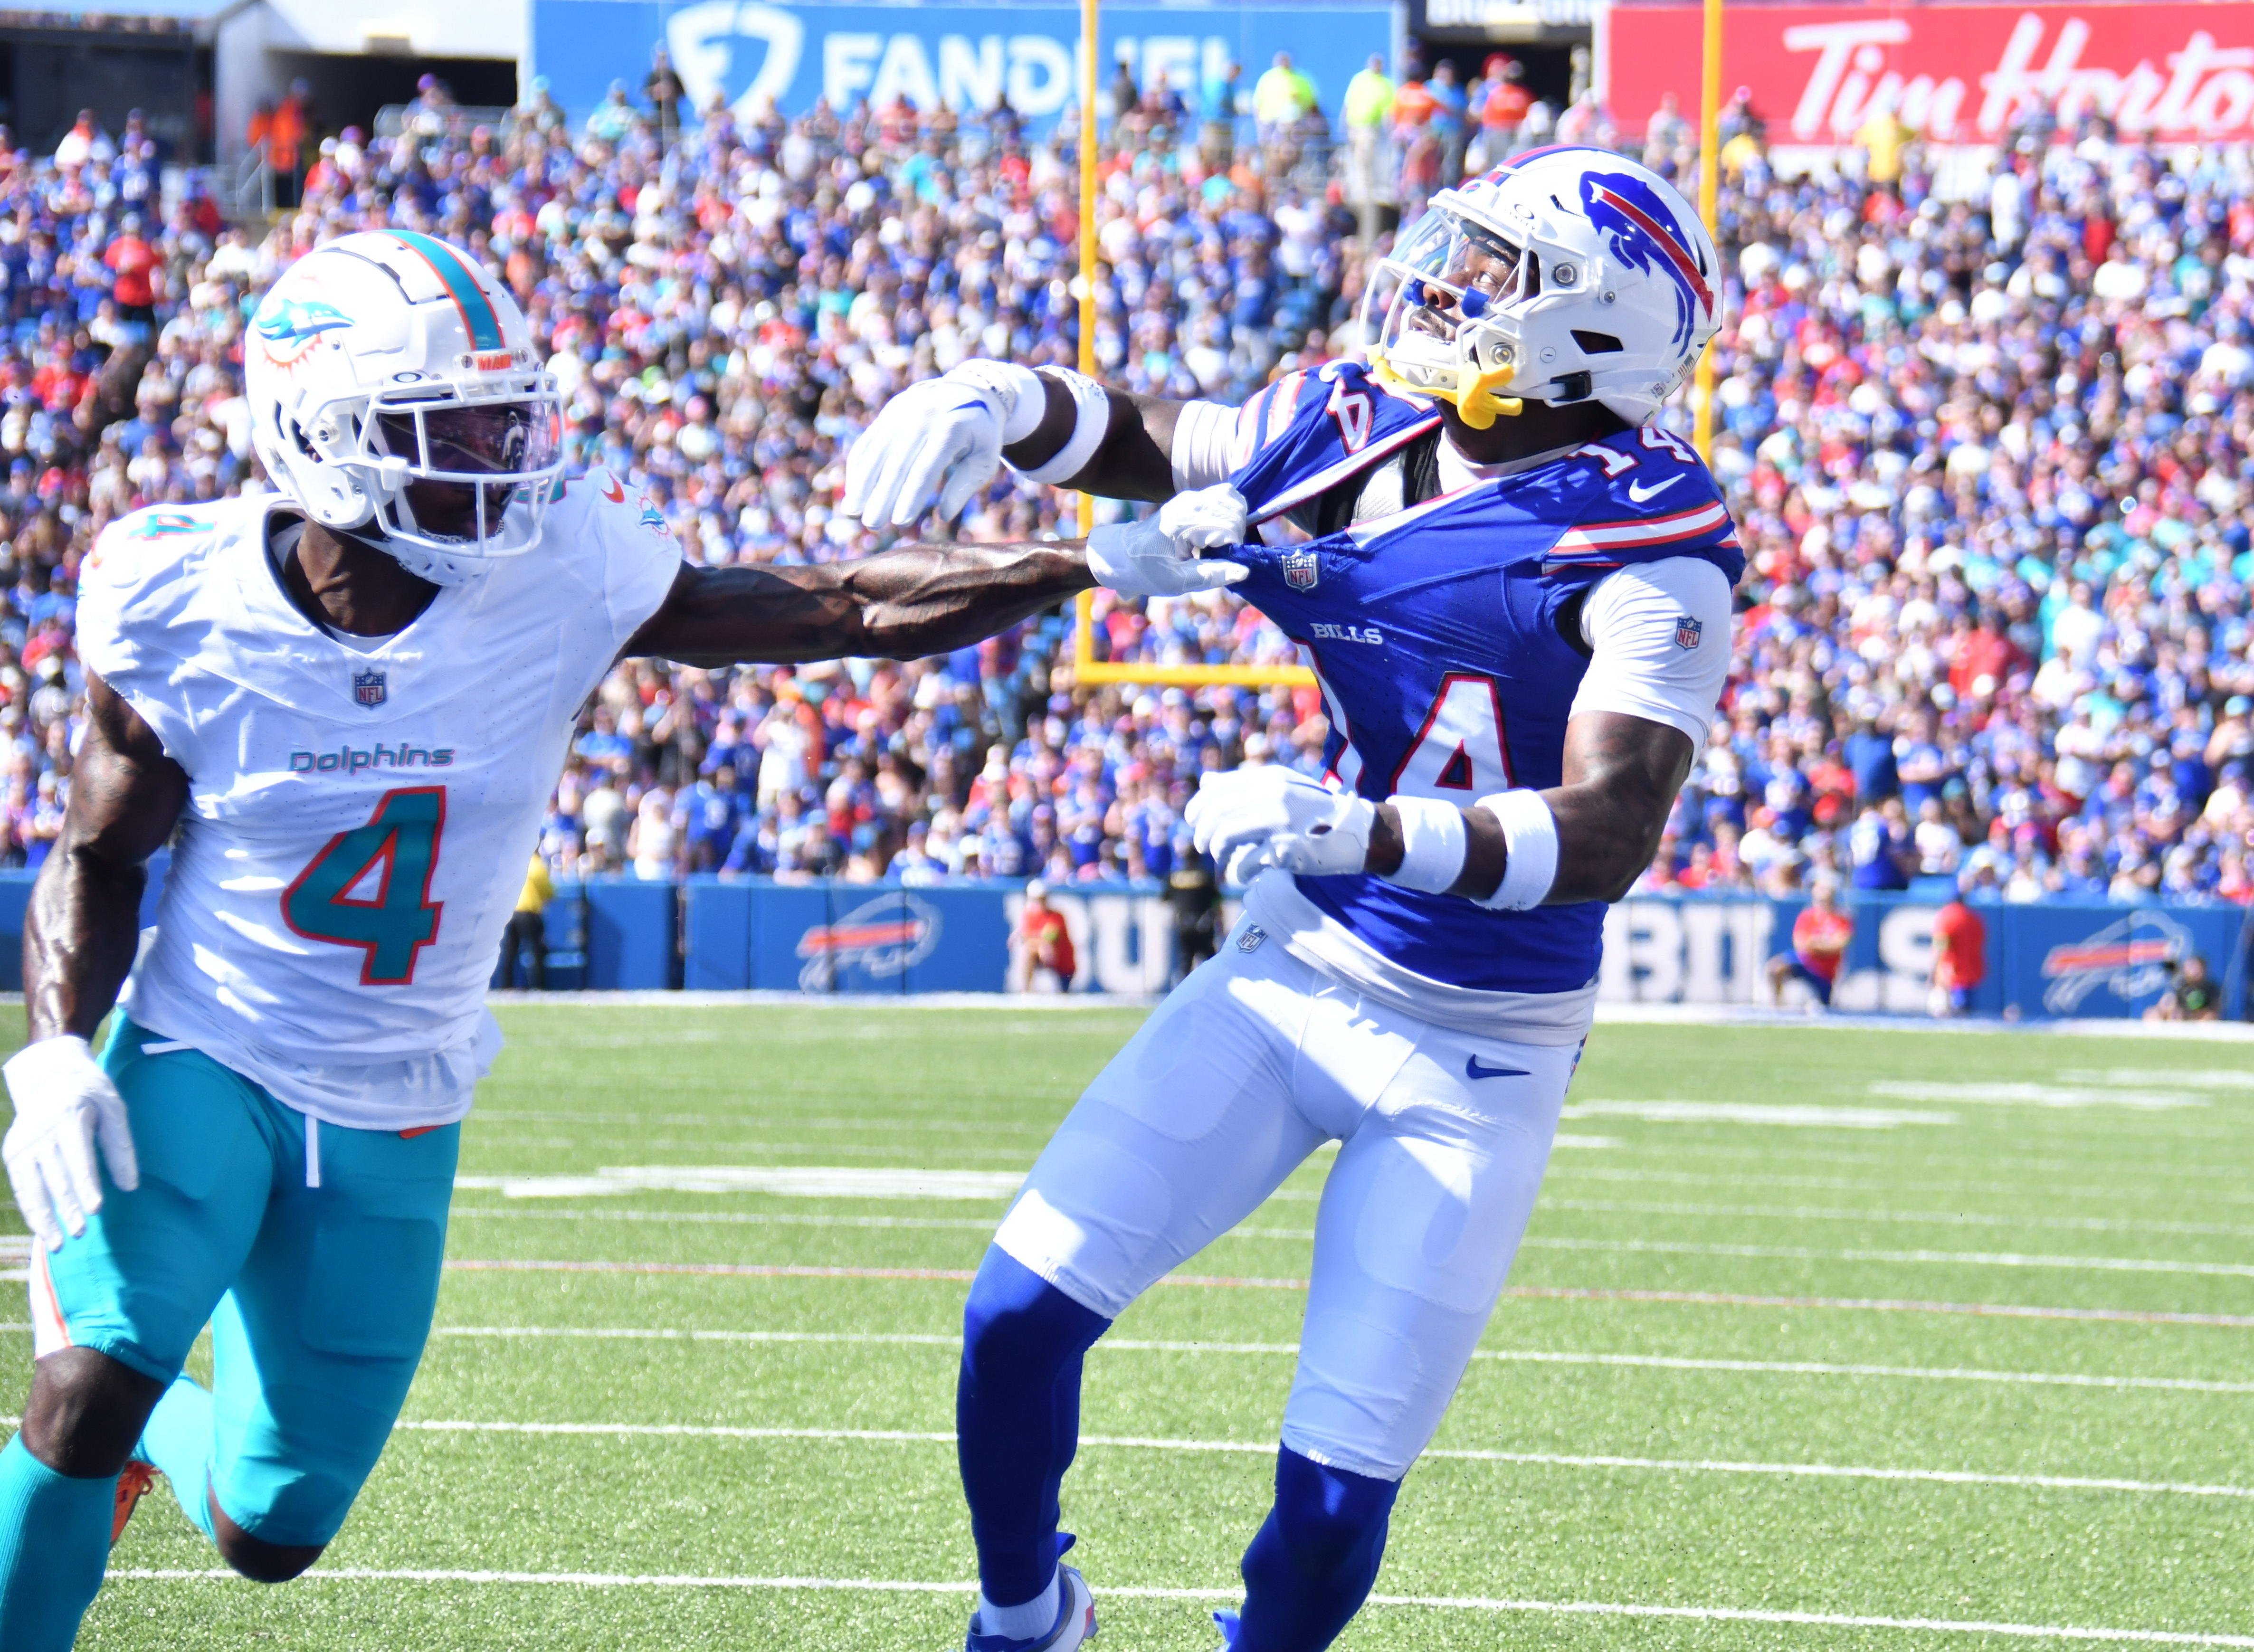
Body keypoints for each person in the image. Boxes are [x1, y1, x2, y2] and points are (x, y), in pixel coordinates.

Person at [0, 229, 1229, 1651]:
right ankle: (101, 1423)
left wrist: (1084, 561)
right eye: (447, 427)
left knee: (273, 1529)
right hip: (206, 1045)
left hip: (402, 1093)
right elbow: (100, 849)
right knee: (92, 1382)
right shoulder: (175, 594)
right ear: (317, 440)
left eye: (504, 415)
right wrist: (53, 1054)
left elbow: (837, 607)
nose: (500, 454)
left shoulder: (560, 568)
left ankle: (165, 1425)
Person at [841, 149, 1736, 1652]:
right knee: (1014, 1313)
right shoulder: (1355, 415)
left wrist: (1360, 826)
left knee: (1330, 1497)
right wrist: (1002, 399)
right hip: (1297, 966)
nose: (1448, 284)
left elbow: (1609, 832)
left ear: (1591, 324)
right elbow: (1154, 438)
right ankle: (1024, 1616)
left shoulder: (1654, 540)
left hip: (1482, 1046)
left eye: (1500, 270)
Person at [1767, 875, 1852, 1010]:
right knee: (1775, 967)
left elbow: (1839, 944)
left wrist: (1815, 944)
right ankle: (1777, 1004)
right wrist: (1822, 944)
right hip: (1805, 962)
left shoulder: (1841, 918)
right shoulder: (1807, 916)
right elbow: (1800, 944)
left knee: (1824, 1007)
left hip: (1825, 972)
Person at [1341, 56, 1393, 242]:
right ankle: (1362, 185)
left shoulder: (1386, 84)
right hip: (1355, 125)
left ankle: (1367, 185)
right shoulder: (1360, 80)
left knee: (1366, 157)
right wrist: (1344, 122)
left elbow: (1388, 109)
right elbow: (1348, 102)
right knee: (1357, 158)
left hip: (1371, 127)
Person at [1928, 887, 1985, 1017]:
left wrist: (1933, 972)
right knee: (1966, 1011)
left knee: (1953, 1013)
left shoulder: (1947, 917)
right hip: (1974, 968)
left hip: (1953, 971)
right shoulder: (1974, 917)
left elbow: (1940, 946)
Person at [499, 852, 552, 990]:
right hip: (529, 912)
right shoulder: (536, 864)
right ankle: (539, 986)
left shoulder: (514, 862)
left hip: (512, 911)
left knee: (510, 951)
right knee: (536, 950)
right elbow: (548, 890)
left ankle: (506, 986)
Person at [1010, 881, 1076, 992]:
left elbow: (1050, 939)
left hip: (1063, 962)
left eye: (1041, 899)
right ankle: (1026, 991)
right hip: (1041, 957)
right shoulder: (1028, 915)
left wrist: (1041, 944)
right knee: (1028, 951)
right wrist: (1040, 945)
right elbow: (1029, 939)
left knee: (1064, 995)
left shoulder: (1056, 917)